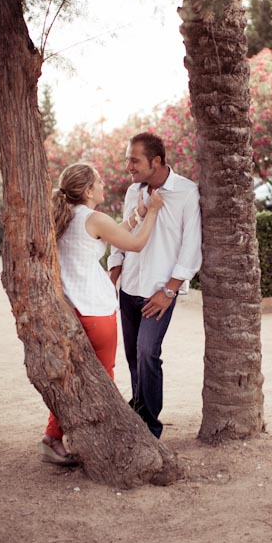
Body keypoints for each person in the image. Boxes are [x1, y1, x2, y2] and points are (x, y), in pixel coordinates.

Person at [40, 162, 163, 465]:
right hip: (95, 310)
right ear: (87, 190)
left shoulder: (64, 216)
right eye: (98, 181)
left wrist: (140, 213)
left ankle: (52, 436)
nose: (103, 184)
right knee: (102, 379)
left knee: (73, 378)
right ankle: (104, 441)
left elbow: (115, 233)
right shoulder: (93, 218)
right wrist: (156, 211)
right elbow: (133, 243)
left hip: (72, 308)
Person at [108, 133, 202, 439]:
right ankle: (138, 412)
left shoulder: (187, 193)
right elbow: (120, 236)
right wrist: (113, 274)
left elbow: (190, 248)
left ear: (156, 161)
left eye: (134, 160)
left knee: (148, 352)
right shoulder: (133, 192)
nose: (129, 166)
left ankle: (150, 427)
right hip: (129, 288)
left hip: (159, 291)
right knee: (133, 356)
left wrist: (169, 291)